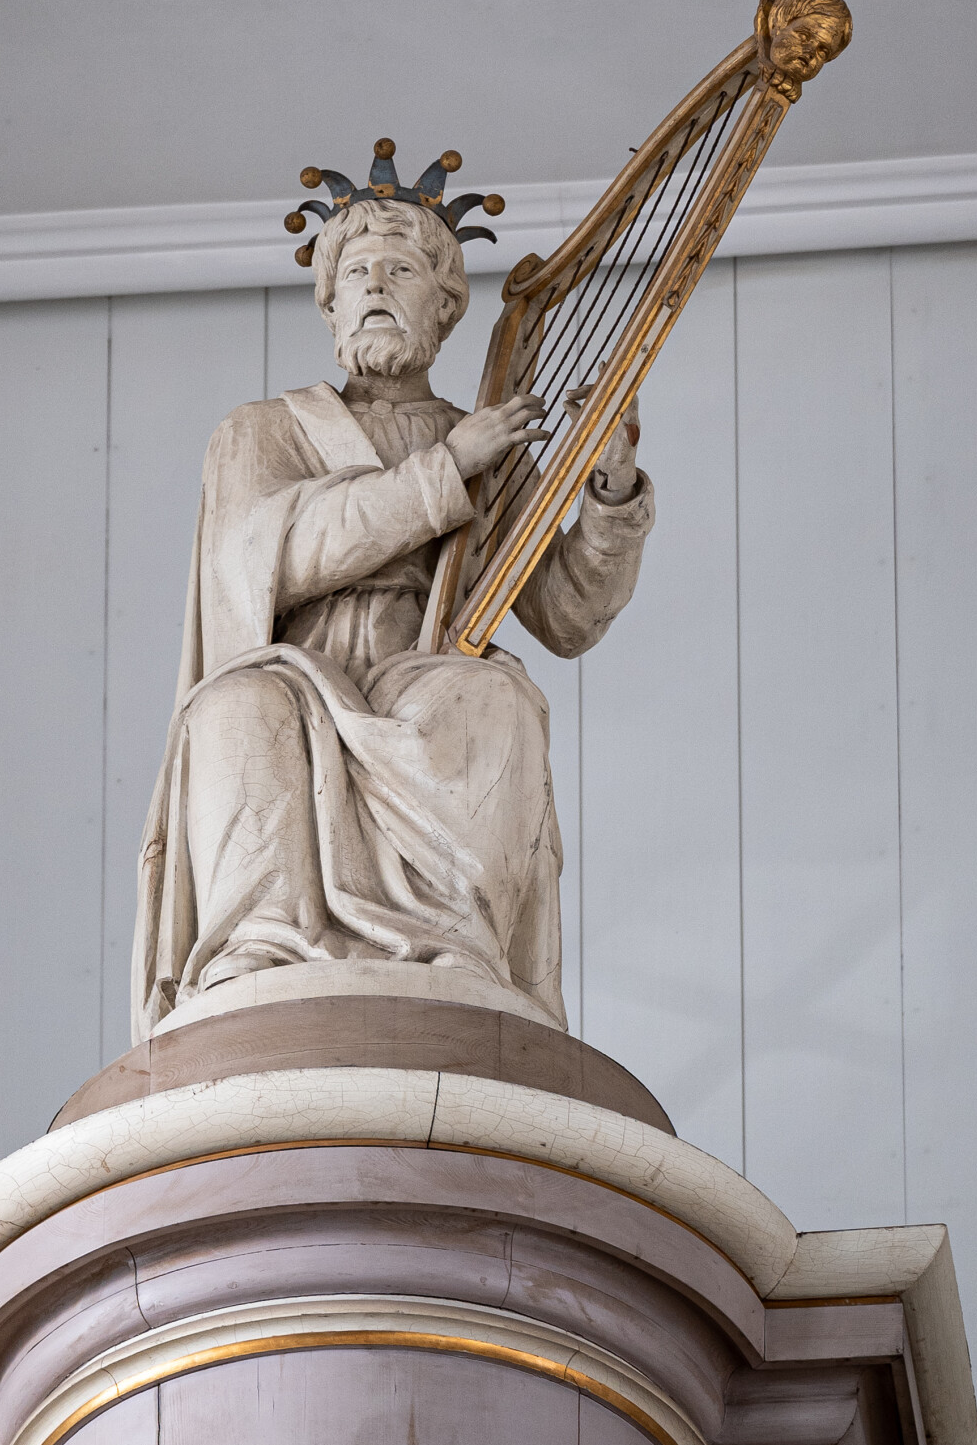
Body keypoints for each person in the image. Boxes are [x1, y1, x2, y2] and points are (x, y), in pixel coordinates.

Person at [132, 180, 654, 1041]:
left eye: (402, 269)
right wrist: (444, 472)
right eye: (358, 271)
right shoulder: (261, 432)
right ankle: (259, 953)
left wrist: (610, 484)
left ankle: (455, 954)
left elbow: (567, 612)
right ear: (330, 306)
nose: (375, 286)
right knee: (237, 712)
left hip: (428, 667)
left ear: (444, 311)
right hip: (295, 673)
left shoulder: (488, 436)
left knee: (491, 699)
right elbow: (277, 551)